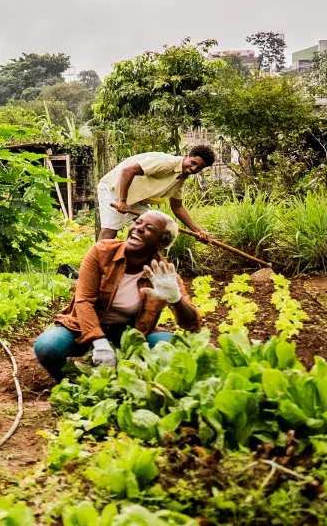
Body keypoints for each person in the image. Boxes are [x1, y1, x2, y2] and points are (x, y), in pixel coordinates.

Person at [34, 210, 200, 381]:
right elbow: (83, 301)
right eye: (138, 222)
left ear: (161, 243)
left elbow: (192, 324)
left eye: (148, 228)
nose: (137, 228)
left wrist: (175, 298)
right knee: (48, 347)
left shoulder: (163, 274)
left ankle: (138, 380)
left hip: (132, 332)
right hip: (83, 325)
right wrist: (99, 341)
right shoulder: (102, 252)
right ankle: (71, 383)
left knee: (172, 347)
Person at [96, 145, 215, 241]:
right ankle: (94, 269)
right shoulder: (167, 163)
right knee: (109, 234)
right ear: (186, 156)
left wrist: (198, 231)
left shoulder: (181, 178)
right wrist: (122, 201)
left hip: (134, 199)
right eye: (193, 163)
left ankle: (133, 262)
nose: (194, 169)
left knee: (156, 227)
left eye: (199, 168)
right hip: (113, 190)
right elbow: (128, 171)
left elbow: (177, 207)